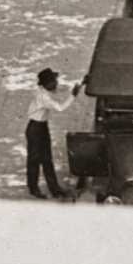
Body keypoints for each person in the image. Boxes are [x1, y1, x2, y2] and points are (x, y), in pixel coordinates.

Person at [25, 68, 82, 200]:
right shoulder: (44, 97)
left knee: (46, 159)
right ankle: (34, 188)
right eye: (54, 81)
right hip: (36, 129)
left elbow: (57, 90)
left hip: (40, 127)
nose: (56, 84)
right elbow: (60, 107)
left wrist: (80, 84)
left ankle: (54, 188)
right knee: (35, 160)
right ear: (46, 84)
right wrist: (73, 94)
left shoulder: (42, 90)